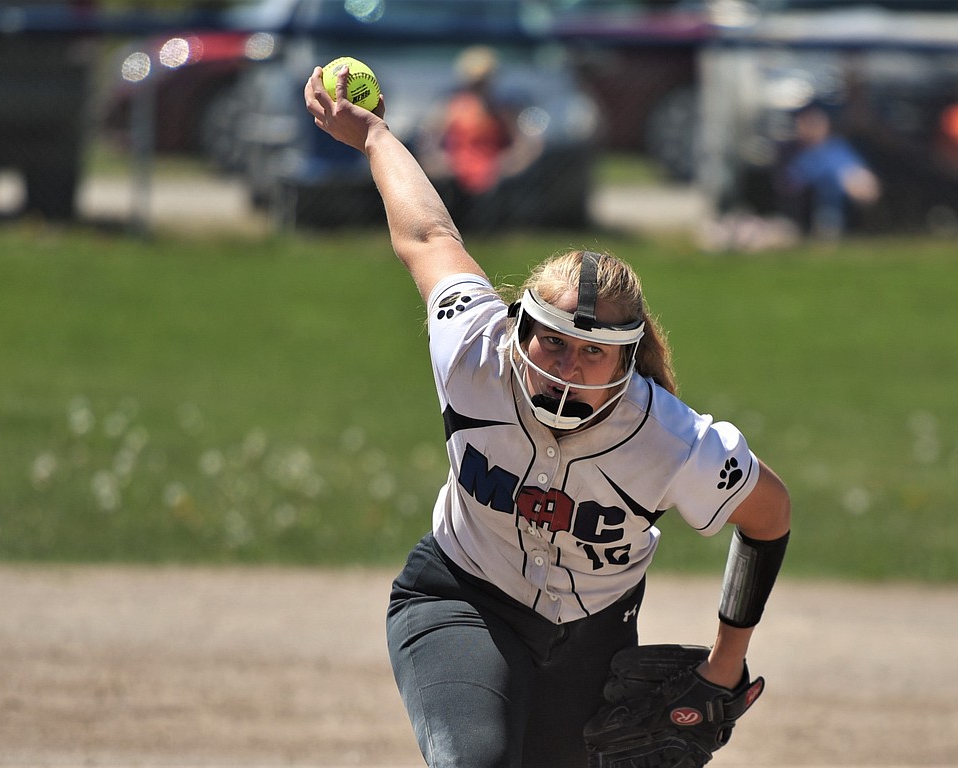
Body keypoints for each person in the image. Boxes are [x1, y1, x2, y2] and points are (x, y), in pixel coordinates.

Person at [303, 65, 792, 767]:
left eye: (592, 352)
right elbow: (429, 236)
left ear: (628, 359)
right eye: (552, 340)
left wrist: (724, 666)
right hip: (463, 599)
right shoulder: (475, 352)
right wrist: (376, 135)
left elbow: (769, 516)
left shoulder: (674, 441)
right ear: (520, 324)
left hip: (594, 645)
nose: (565, 363)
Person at [417, 46, 543, 230]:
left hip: (491, 170)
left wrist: (509, 162)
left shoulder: (503, 110)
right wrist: (439, 160)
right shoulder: (451, 107)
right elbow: (428, 139)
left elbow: (527, 143)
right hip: (458, 170)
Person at [778, 101, 881, 239]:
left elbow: (856, 169)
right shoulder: (800, 155)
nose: (813, 129)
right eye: (808, 124)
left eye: (816, 124)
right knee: (835, 191)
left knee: (855, 181)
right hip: (828, 200)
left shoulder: (837, 146)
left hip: (849, 189)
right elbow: (791, 182)